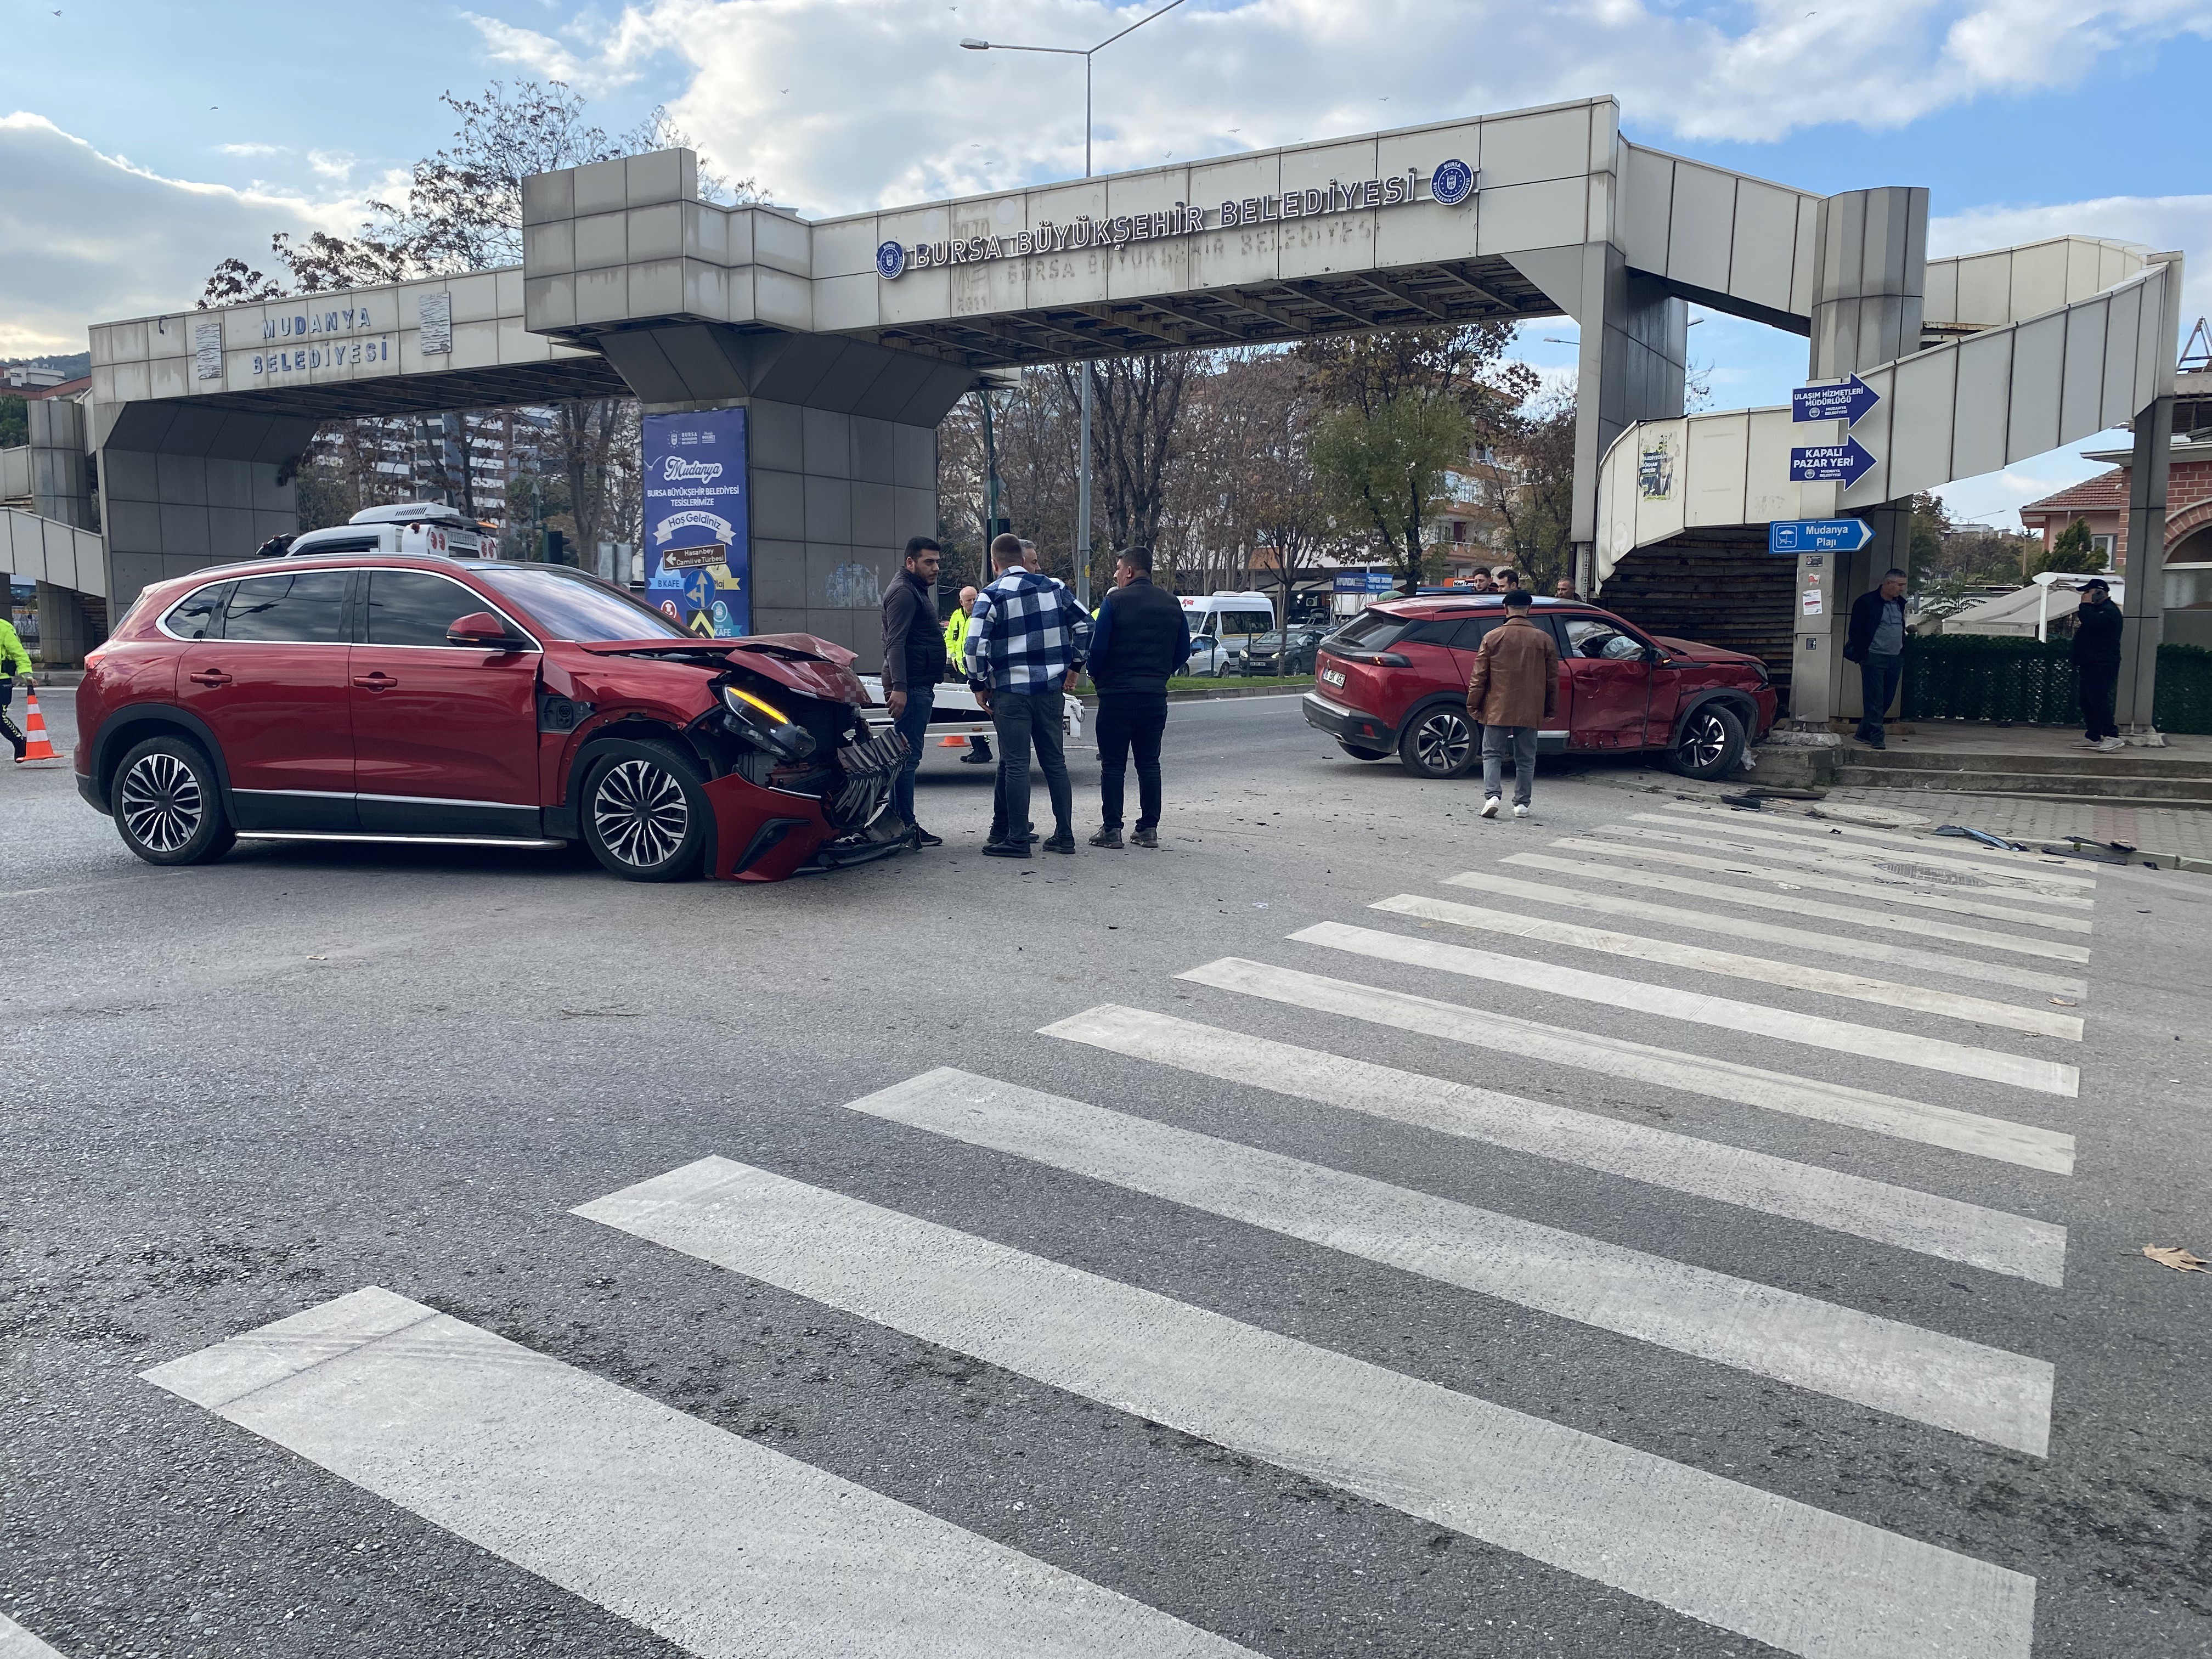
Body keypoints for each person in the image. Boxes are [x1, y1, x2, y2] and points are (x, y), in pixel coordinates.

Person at [967, 532, 1089, 857]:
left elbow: (974, 647)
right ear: (1023, 560)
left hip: (1010, 692)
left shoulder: (990, 596)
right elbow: (1085, 626)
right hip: (1051, 690)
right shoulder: (1055, 588)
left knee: (1017, 764)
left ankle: (1017, 838)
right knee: (1055, 763)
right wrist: (1074, 667)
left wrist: (978, 685)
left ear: (995, 564)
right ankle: (1065, 835)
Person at [1085, 546, 1189, 849]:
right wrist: (1160, 674)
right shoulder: (1172, 603)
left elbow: (1099, 648)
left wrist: (1097, 676)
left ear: (1129, 571)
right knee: (1149, 763)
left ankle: (1112, 829)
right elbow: (1183, 649)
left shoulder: (1114, 601)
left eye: (1118, 568)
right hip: (1154, 696)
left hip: (1117, 695)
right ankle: (1148, 830)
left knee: (1114, 765)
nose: (1116, 574)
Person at [1465, 586, 1559, 819]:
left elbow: (1479, 677)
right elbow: (1552, 680)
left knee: (1492, 754)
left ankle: (1493, 797)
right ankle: (1522, 805)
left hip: (1497, 706)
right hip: (1531, 708)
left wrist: (1473, 704)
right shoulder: (1544, 639)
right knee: (1526, 758)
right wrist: (1550, 708)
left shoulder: (1493, 637)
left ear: (1505, 609)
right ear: (1529, 609)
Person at [879, 535, 947, 847]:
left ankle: (902, 824)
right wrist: (901, 689)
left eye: (937, 562)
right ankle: (904, 826)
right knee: (908, 759)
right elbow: (895, 643)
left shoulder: (914, 590)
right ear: (910, 562)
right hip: (913, 688)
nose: (935, 568)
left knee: (906, 758)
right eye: (928, 562)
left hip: (919, 685)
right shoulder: (905, 593)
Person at [1843, 567, 1910, 749]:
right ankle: (1877, 736)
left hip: (1895, 657)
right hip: (1874, 656)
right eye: (1899, 585)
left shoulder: (1900, 603)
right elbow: (1856, 631)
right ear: (1888, 583)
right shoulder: (1866, 602)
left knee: (1887, 698)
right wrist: (1865, 653)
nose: (1902, 589)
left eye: (1904, 585)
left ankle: (1864, 732)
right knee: (1874, 698)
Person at [2072, 577, 2124, 751]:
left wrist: (2086, 606)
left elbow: (2092, 623)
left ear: (2099, 593)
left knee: (2099, 699)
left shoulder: (2109, 611)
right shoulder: (2098, 610)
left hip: (2103, 663)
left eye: (2088, 592)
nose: (2084, 596)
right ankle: (2093, 735)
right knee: (2087, 700)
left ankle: (2112, 735)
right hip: (2090, 661)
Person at [943, 585, 992, 764]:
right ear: (961, 602)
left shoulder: (984, 615)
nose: (973, 603)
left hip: (981, 672)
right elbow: (950, 637)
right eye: (969, 600)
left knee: (978, 711)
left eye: (975, 599)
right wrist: (954, 656)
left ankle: (982, 748)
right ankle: (979, 749)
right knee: (968, 712)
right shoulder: (957, 616)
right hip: (963, 672)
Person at [0, 610, 31, 763]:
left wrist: (26, 673)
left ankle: (19, 741)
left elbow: (18, 652)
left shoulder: (3, 627)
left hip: (2, 680)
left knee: (0, 717)